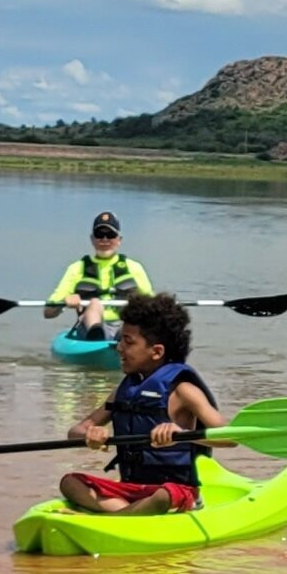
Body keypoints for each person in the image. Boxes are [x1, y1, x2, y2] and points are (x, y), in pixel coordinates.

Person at [59, 292, 235, 515]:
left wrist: (181, 434)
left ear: (157, 351)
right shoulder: (122, 392)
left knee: (164, 496)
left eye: (128, 342)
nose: (119, 347)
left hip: (173, 490)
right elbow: (74, 432)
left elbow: (230, 438)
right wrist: (89, 433)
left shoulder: (183, 391)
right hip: (132, 489)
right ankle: (130, 513)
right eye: (121, 339)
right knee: (70, 482)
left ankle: (117, 516)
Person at [44, 211, 153, 341]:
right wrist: (63, 302)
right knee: (95, 303)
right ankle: (96, 335)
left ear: (119, 240)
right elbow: (48, 313)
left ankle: (124, 339)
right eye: (99, 234)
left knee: (132, 319)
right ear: (92, 239)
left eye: (110, 235)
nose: (105, 239)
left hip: (125, 327)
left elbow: (153, 307)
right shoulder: (76, 268)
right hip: (88, 328)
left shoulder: (134, 267)